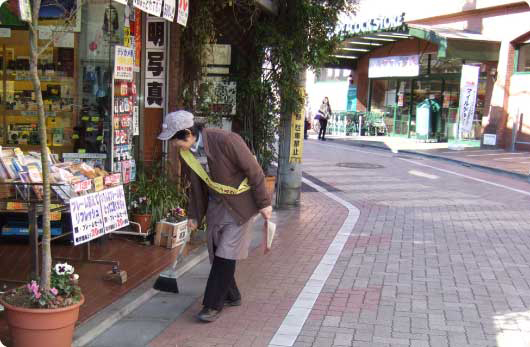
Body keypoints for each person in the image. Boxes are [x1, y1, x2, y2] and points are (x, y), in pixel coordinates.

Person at [158, 110, 273, 323]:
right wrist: (194, 215)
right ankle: (232, 295)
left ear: (187, 133)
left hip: (240, 206)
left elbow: (255, 171)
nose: (173, 145)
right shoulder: (187, 153)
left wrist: (264, 203)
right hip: (216, 206)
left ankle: (212, 305)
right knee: (216, 253)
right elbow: (197, 187)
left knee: (226, 253)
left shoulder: (227, 140)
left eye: (174, 140)